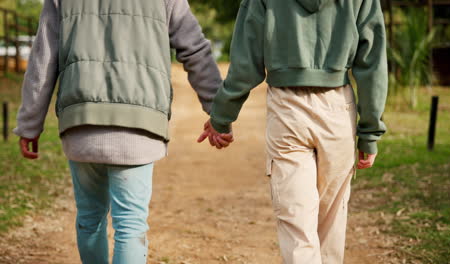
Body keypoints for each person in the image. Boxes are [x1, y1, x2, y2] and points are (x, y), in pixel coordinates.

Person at [14, 0, 222, 263]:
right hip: (140, 122)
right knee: (131, 224)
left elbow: (43, 58)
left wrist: (29, 124)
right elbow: (196, 50)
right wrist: (218, 111)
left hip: (82, 119)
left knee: (89, 217)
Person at [198, 0, 388, 263]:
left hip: (287, 109)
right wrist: (369, 132)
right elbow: (372, 62)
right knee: (331, 222)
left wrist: (221, 117)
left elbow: (246, 63)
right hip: (338, 109)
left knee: (296, 223)